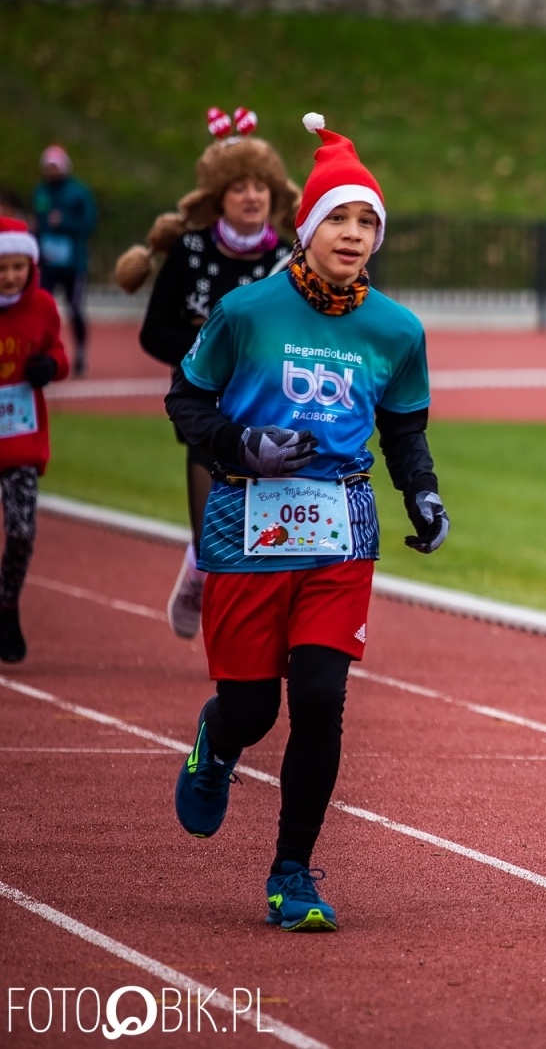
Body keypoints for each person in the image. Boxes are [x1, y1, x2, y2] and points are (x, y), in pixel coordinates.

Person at [166, 113, 449, 932]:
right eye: (339, 218)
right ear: (308, 226)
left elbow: (404, 429)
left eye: (367, 222)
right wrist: (242, 445)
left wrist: (422, 493)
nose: (353, 234)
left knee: (321, 698)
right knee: (253, 709)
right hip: (247, 524)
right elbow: (186, 400)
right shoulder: (246, 312)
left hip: (340, 529)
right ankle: (218, 743)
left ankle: (292, 872)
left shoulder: (396, 330)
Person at [116, 107, 299, 643]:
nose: (251, 196)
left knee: (264, 527)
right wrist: (211, 352)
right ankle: (198, 572)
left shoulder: (287, 259)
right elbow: (154, 332)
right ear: (218, 196)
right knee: (211, 534)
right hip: (202, 405)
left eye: (260, 186)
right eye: (239, 187)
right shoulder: (190, 252)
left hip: (264, 403)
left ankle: (254, 629)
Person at [0, 218, 71, 663]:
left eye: (18, 267)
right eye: (2, 268)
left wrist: (49, 366)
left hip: (20, 440)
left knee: (22, 531)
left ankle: (7, 605)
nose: (10, 276)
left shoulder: (42, 306)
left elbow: (59, 354)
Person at [31, 145, 97, 376]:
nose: (51, 171)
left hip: (73, 265)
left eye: (55, 166)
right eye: (47, 167)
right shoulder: (40, 191)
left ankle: (80, 351)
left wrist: (65, 221)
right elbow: (38, 222)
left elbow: (89, 223)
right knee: (40, 307)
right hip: (48, 264)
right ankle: (40, 350)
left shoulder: (78, 192)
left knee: (75, 308)